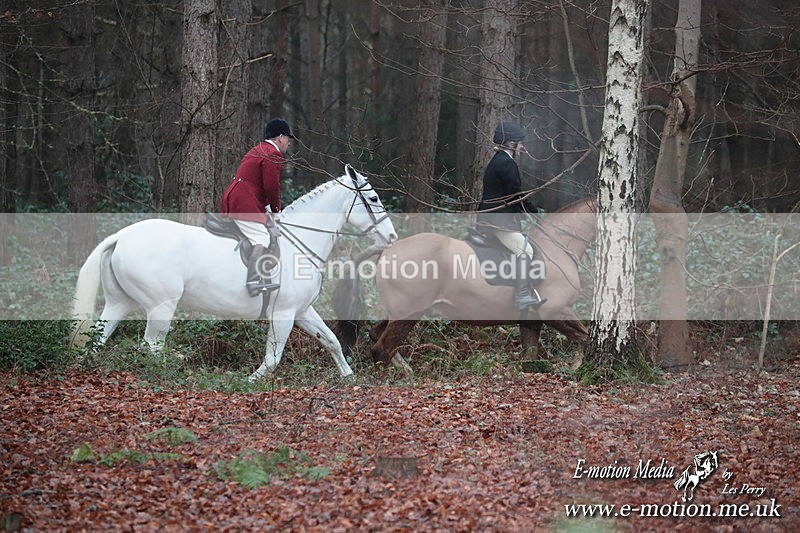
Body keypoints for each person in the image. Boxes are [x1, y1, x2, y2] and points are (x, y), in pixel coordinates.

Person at [476, 121, 547, 310]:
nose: (522, 146)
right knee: (525, 251)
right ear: (510, 144)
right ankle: (522, 295)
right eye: (519, 142)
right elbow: (516, 195)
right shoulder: (506, 163)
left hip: (492, 219)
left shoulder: (497, 160)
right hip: (499, 222)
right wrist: (533, 213)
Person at [220, 118, 293, 296]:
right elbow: (271, 186)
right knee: (261, 237)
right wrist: (276, 211)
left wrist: (266, 206)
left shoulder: (258, 149)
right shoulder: (273, 153)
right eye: (288, 139)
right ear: (281, 137)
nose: (289, 143)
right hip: (244, 203)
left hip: (235, 198)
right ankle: (253, 281)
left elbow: (258, 183)